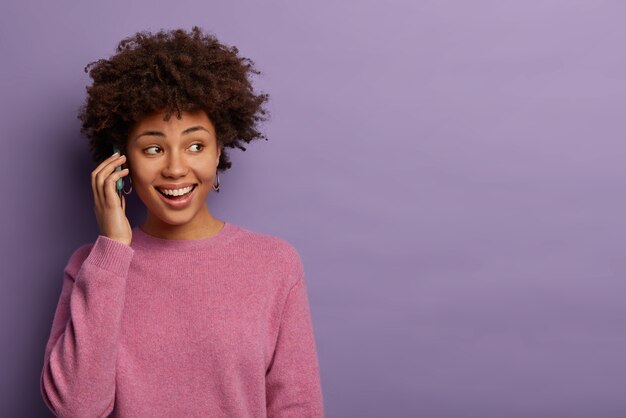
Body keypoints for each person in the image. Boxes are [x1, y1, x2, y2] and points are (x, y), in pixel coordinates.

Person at [39, 27, 324, 417]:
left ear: (218, 150)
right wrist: (113, 250)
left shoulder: (275, 264)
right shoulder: (92, 268)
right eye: (154, 148)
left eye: (195, 146)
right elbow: (77, 407)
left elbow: (298, 407)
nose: (176, 168)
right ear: (121, 161)